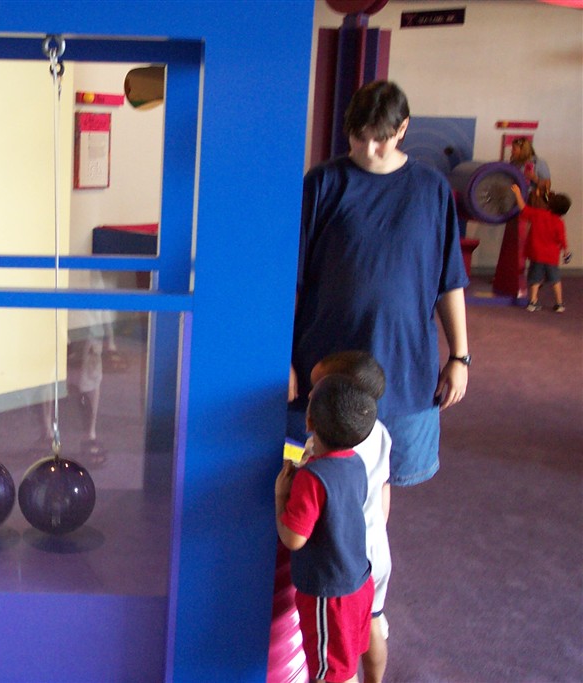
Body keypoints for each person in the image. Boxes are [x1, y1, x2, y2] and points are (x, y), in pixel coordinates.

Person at [288, 80, 470, 487]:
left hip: (404, 369)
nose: (368, 149)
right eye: (359, 137)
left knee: (384, 481)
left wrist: (460, 357)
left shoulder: (432, 189)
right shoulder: (322, 184)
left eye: (380, 139)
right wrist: (281, 357)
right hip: (326, 365)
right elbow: (291, 285)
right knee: (314, 478)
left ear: (403, 128)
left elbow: (450, 281)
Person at [276, 374, 377, 683]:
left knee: (331, 676)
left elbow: (294, 538)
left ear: (309, 422)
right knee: (346, 665)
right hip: (359, 582)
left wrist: (281, 496)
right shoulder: (356, 462)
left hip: (329, 597)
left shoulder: (312, 478)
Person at [301, 351, 392, 683]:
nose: (311, 398)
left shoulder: (324, 452)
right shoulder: (379, 431)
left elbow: (306, 518)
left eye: (318, 391)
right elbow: (384, 490)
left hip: (344, 563)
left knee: (336, 661)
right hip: (374, 550)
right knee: (372, 624)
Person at [511, 184, 572, 313]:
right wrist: (566, 252)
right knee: (555, 279)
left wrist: (517, 192)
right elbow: (562, 240)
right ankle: (559, 303)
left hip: (537, 254)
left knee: (535, 279)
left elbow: (523, 208)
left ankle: (533, 302)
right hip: (552, 257)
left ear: (550, 204)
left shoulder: (539, 214)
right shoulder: (559, 223)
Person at [509, 136, 552, 203]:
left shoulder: (539, 163)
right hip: (515, 199)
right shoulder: (514, 163)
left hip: (532, 200)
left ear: (523, 150)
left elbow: (547, 185)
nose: (512, 151)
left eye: (514, 149)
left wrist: (535, 178)